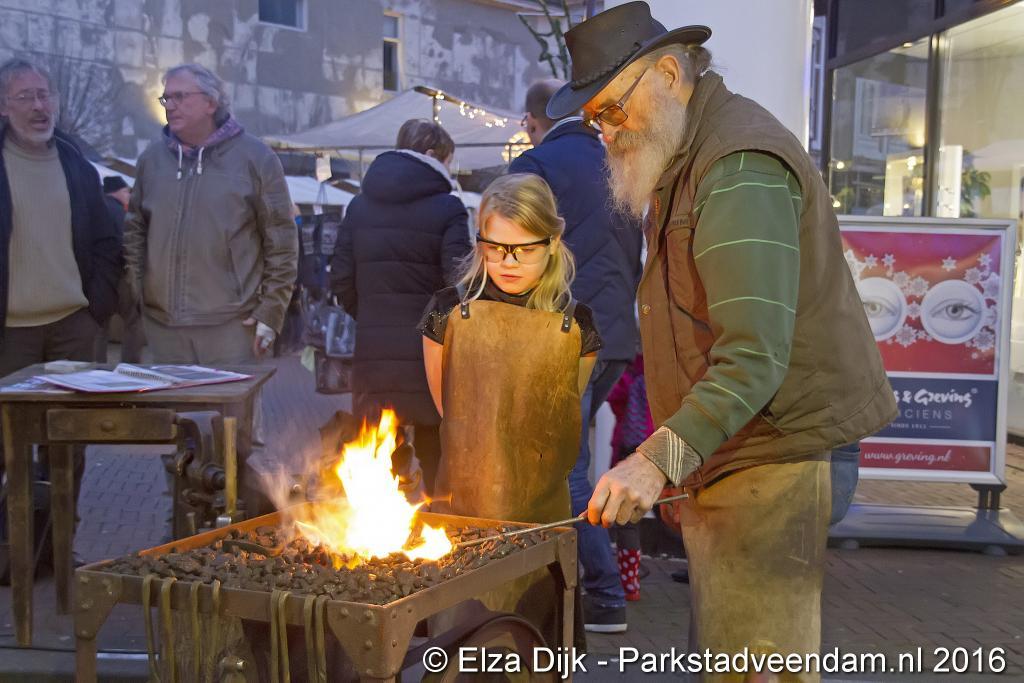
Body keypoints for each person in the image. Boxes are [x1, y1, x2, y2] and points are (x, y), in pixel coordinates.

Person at [547, 3, 897, 676]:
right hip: (737, 450)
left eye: (613, 111)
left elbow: (753, 358)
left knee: (755, 664)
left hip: (773, 454)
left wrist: (656, 461)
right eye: (595, 120)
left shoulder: (738, 166)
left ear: (668, 74)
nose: (607, 132)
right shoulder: (688, 156)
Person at [419, 173, 601, 647]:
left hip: (540, 518)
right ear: (479, 240)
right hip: (463, 513)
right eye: (495, 248)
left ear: (553, 242)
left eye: (523, 249)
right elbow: (451, 409)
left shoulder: (576, 325)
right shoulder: (447, 313)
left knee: (532, 653)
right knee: (461, 657)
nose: (508, 262)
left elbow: (556, 419)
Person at [123, 63, 297, 518]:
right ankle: (182, 526)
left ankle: (231, 527)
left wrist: (270, 312)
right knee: (176, 434)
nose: (170, 105)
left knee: (233, 438)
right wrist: (141, 289)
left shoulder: (255, 158)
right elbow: (135, 228)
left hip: (230, 327)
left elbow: (282, 240)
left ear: (211, 102)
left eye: (180, 96)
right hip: (165, 328)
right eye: (167, 97)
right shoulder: (152, 160)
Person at [510, 78, 642, 633]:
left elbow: (516, 256)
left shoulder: (537, 166)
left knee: (565, 471)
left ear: (534, 121)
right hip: (616, 337)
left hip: (563, 338)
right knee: (570, 464)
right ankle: (569, 583)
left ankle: (603, 593)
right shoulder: (620, 162)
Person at [0, 57, 120, 547]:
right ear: (3, 106)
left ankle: (57, 552)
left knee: (67, 448)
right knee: (7, 449)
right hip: (9, 334)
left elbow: (106, 243)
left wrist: (96, 310)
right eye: (25, 96)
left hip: (72, 327)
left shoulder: (76, 165)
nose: (39, 106)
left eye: (44, 95)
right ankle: (11, 555)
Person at [331, 119, 471, 495]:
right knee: (437, 453)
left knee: (375, 449)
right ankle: (442, 521)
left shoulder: (359, 208)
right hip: (431, 354)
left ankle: (381, 521)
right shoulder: (449, 209)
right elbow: (459, 284)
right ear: (433, 156)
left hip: (374, 352)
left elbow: (340, 279)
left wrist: (371, 317)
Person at [605, 353, 654, 600]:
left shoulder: (629, 374)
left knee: (626, 522)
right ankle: (631, 580)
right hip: (656, 451)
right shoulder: (658, 374)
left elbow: (613, 397)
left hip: (629, 452)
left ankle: (628, 583)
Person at [93, 175, 144, 363]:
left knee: (100, 326)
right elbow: (129, 243)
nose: (129, 196)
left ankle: (96, 368)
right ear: (116, 192)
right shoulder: (122, 213)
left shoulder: (95, 210)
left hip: (98, 278)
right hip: (122, 275)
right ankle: (131, 367)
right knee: (133, 322)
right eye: (126, 191)